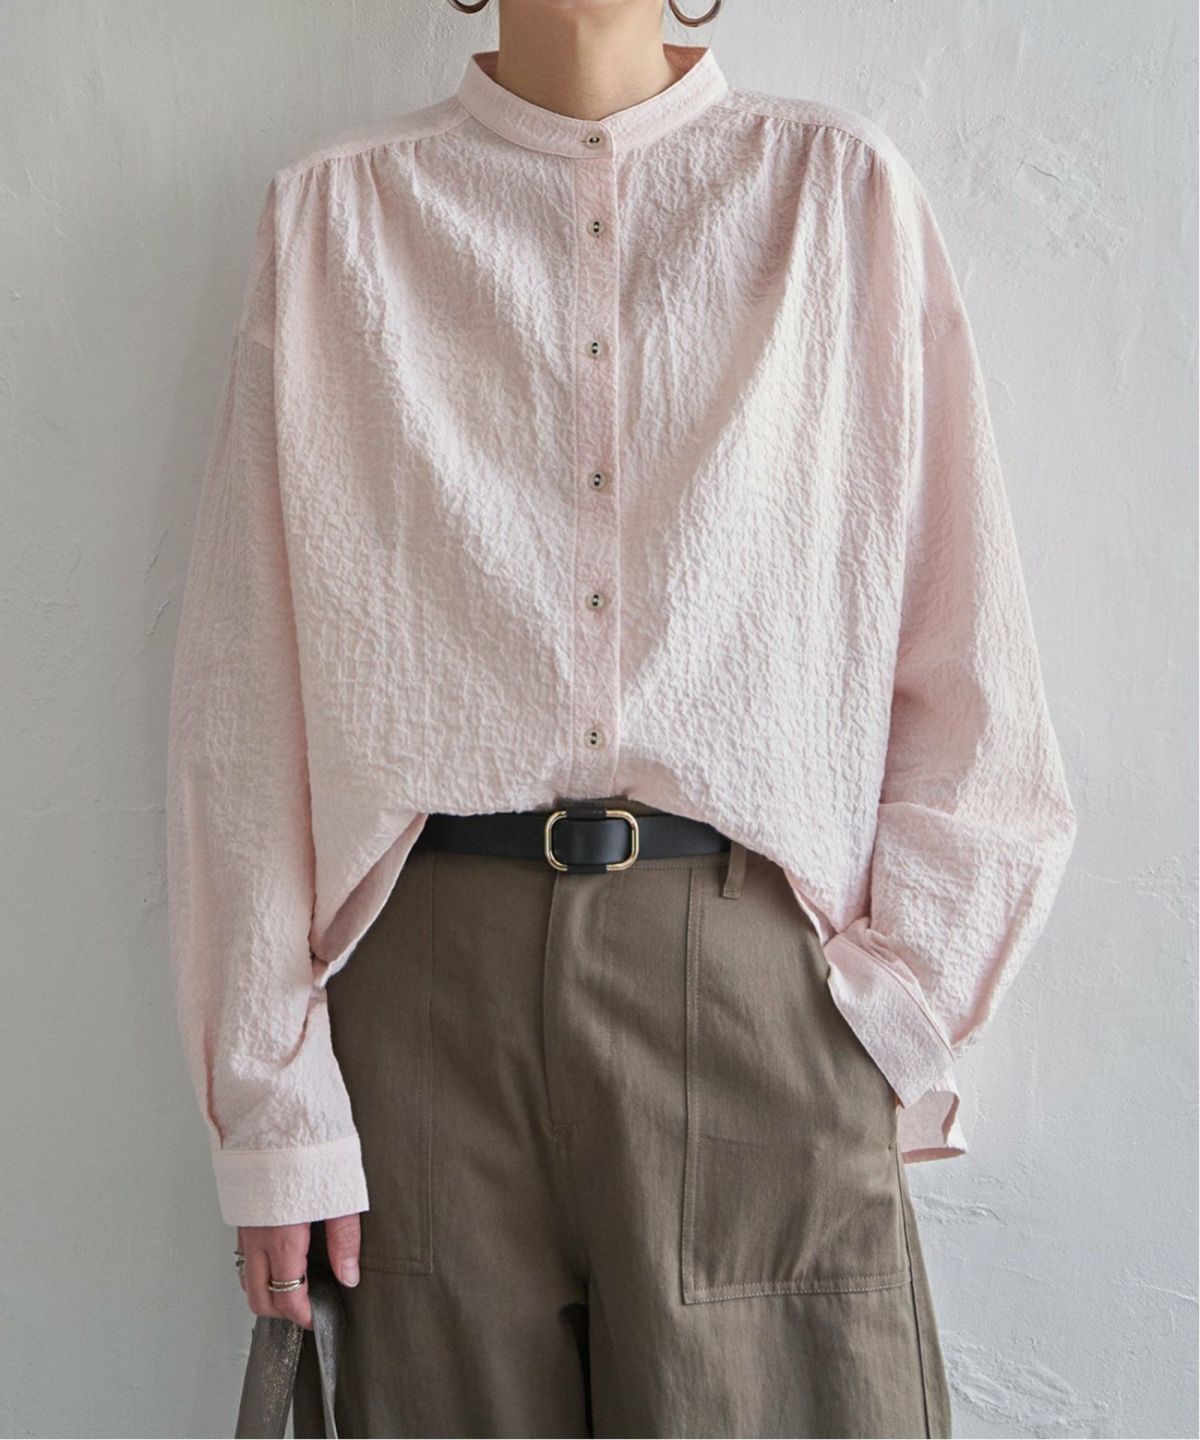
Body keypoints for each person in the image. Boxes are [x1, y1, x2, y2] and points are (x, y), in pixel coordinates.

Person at [165, 0, 1077, 1434]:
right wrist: (271, 1107)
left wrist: (891, 1018)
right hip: (421, 1016)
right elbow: (242, 715)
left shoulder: (836, 200)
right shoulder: (335, 221)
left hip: (760, 997)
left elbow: (972, 678)